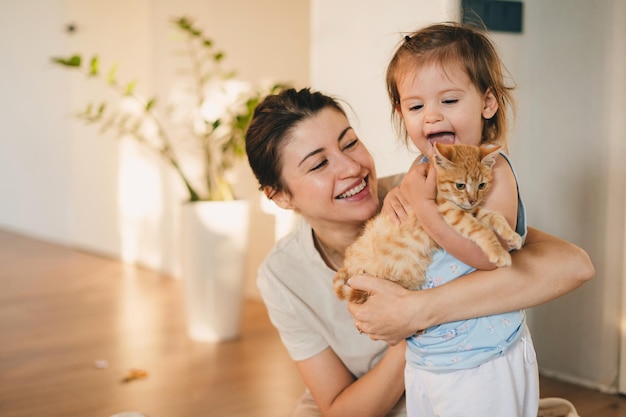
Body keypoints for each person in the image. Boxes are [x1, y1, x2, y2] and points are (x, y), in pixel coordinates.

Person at [245, 87, 593, 417]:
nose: (351, 168)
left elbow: (574, 265)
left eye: (350, 143)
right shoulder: (283, 274)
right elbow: (341, 409)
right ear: (280, 196)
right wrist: (407, 330)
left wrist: (417, 312)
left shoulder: (424, 188)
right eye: (319, 164)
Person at [346, 21, 537, 417]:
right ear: (401, 112)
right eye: (416, 107)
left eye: (449, 101)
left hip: (483, 361)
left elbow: (490, 256)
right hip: (427, 358)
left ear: (487, 103)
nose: (430, 117)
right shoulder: (423, 166)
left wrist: (426, 208)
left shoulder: (494, 172)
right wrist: (400, 200)